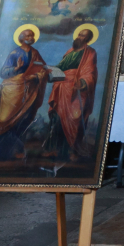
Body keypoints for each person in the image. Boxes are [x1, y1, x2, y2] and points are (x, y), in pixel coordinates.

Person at [0, 26, 50, 162]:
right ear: (21, 38)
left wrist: (36, 76)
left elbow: (43, 69)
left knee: (21, 120)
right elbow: (3, 72)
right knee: (3, 120)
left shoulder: (35, 53)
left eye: (32, 36)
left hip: (29, 92)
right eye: (28, 36)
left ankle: (14, 150)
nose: (31, 38)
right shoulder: (14, 53)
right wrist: (16, 68)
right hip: (12, 90)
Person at [42, 27, 98, 162]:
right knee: (57, 117)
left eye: (83, 35)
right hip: (61, 88)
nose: (79, 37)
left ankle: (72, 150)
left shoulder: (90, 52)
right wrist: (50, 70)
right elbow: (61, 67)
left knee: (74, 119)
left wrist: (83, 82)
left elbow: (90, 72)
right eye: (79, 34)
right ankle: (54, 149)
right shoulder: (70, 51)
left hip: (75, 88)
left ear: (88, 39)